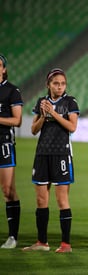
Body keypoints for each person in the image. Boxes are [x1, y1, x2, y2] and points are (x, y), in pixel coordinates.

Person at [23, 68, 79, 253]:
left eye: (62, 83)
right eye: (56, 83)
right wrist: (44, 115)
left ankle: (66, 244)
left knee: (62, 199)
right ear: (48, 85)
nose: (60, 87)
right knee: (41, 200)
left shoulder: (70, 102)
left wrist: (53, 114)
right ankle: (42, 242)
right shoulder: (42, 102)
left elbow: (72, 127)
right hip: (42, 154)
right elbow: (33, 129)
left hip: (61, 155)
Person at [0, 54, 23, 249]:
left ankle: (13, 237)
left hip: (4, 144)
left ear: (4, 69)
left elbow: (17, 120)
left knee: (8, 190)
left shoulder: (12, 91)